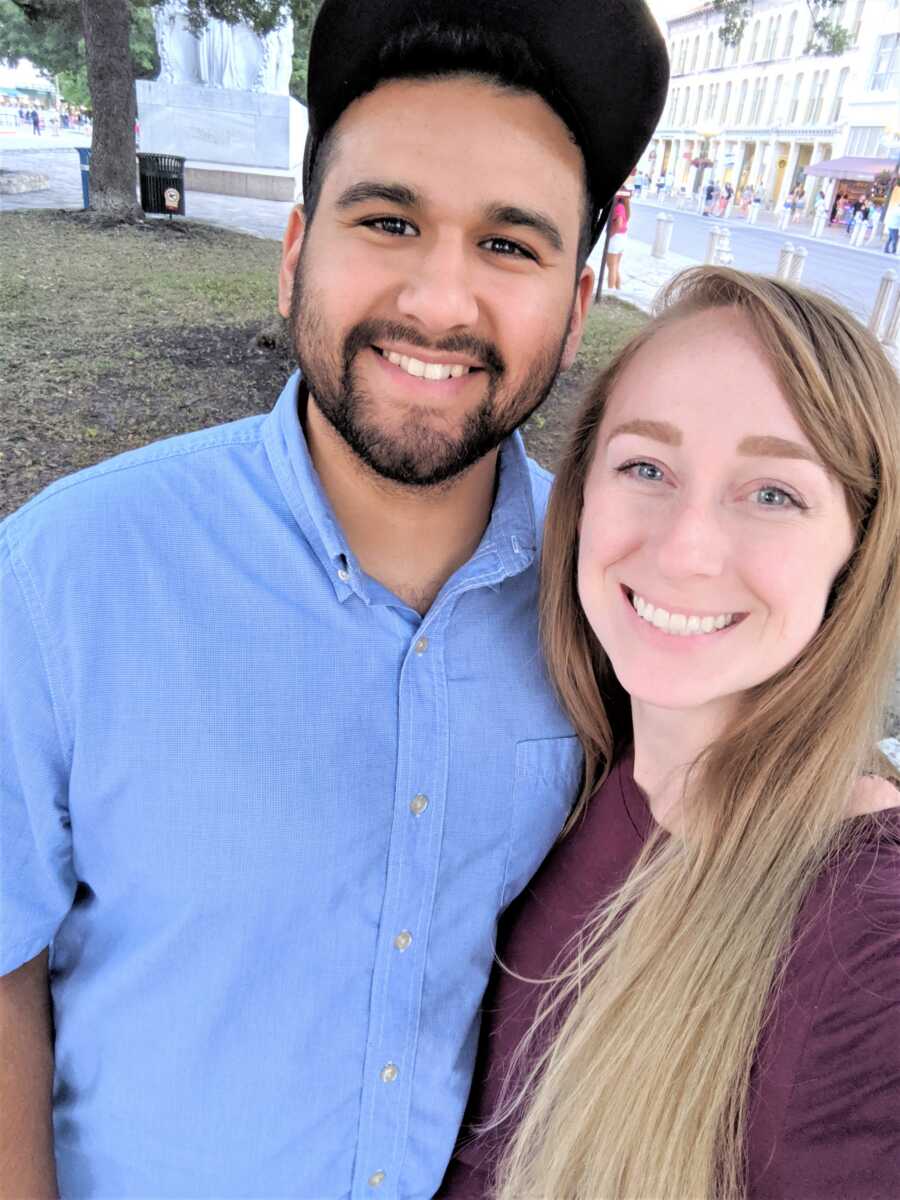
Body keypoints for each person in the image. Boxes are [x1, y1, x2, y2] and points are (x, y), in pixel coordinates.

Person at [0, 0, 669, 1196]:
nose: (440, 302)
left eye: (511, 245)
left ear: (577, 308)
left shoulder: (621, 598)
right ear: (296, 247)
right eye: (390, 219)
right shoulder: (65, 578)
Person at [440, 267, 900, 1200]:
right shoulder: (580, 767)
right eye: (645, 467)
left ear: (858, 548)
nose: (686, 547)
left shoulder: (869, 939)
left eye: (772, 493)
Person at [604, 190, 630, 291]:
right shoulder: (623, 206)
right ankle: (618, 289)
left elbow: (618, 223)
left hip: (615, 238)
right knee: (615, 266)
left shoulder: (618, 206)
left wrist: (610, 233)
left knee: (611, 267)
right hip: (621, 238)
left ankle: (610, 291)